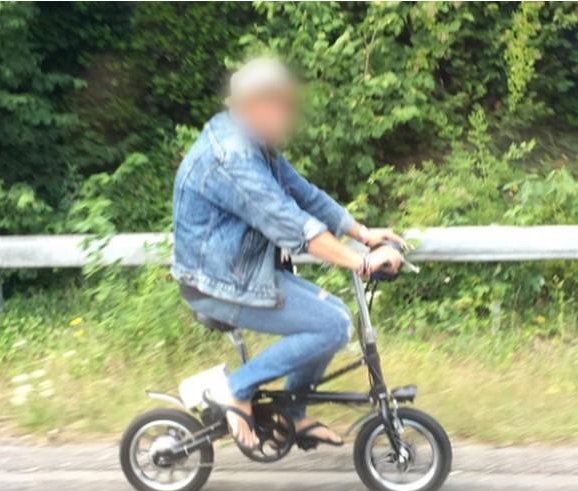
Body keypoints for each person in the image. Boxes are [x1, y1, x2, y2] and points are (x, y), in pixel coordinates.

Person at [171, 57, 404, 449]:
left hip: (243, 270)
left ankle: (292, 416)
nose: (288, 115)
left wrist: (363, 234)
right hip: (217, 282)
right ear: (254, 107)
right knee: (329, 326)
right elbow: (291, 223)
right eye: (281, 106)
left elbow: (304, 193)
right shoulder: (233, 157)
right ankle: (237, 389)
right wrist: (362, 261)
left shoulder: (255, 142)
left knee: (335, 320)